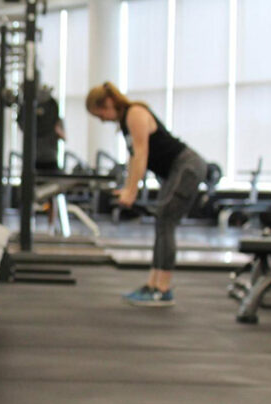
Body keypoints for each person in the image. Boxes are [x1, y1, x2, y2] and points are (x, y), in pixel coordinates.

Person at [86, 82, 207, 307]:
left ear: (109, 102)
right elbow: (133, 159)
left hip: (186, 167)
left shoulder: (135, 113)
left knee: (166, 221)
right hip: (174, 171)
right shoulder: (125, 123)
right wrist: (128, 188)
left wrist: (132, 192)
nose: (102, 119)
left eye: (100, 113)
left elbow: (142, 154)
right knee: (162, 222)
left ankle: (163, 288)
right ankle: (153, 284)